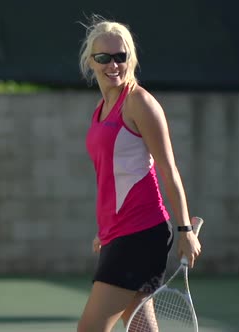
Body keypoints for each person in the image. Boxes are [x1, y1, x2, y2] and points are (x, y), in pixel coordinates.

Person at [76, 16, 202, 332]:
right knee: (140, 327)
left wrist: (185, 228)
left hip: (141, 233)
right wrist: (104, 230)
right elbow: (111, 177)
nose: (113, 64)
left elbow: (167, 168)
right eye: (103, 57)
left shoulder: (139, 103)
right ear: (91, 61)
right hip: (118, 233)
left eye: (120, 56)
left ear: (130, 58)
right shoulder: (101, 109)